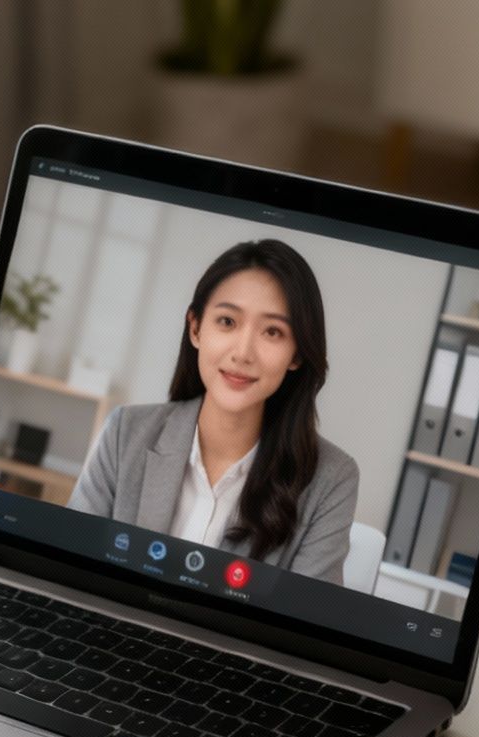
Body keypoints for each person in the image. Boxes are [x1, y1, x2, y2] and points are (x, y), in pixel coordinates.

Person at [68, 238, 358, 583]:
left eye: (273, 331)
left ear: (296, 354)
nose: (243, 352)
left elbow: (305, 625)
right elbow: (69, 568)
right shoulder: (124, 433)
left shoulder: (332, 479)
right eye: (227, 322)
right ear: (195, 328)